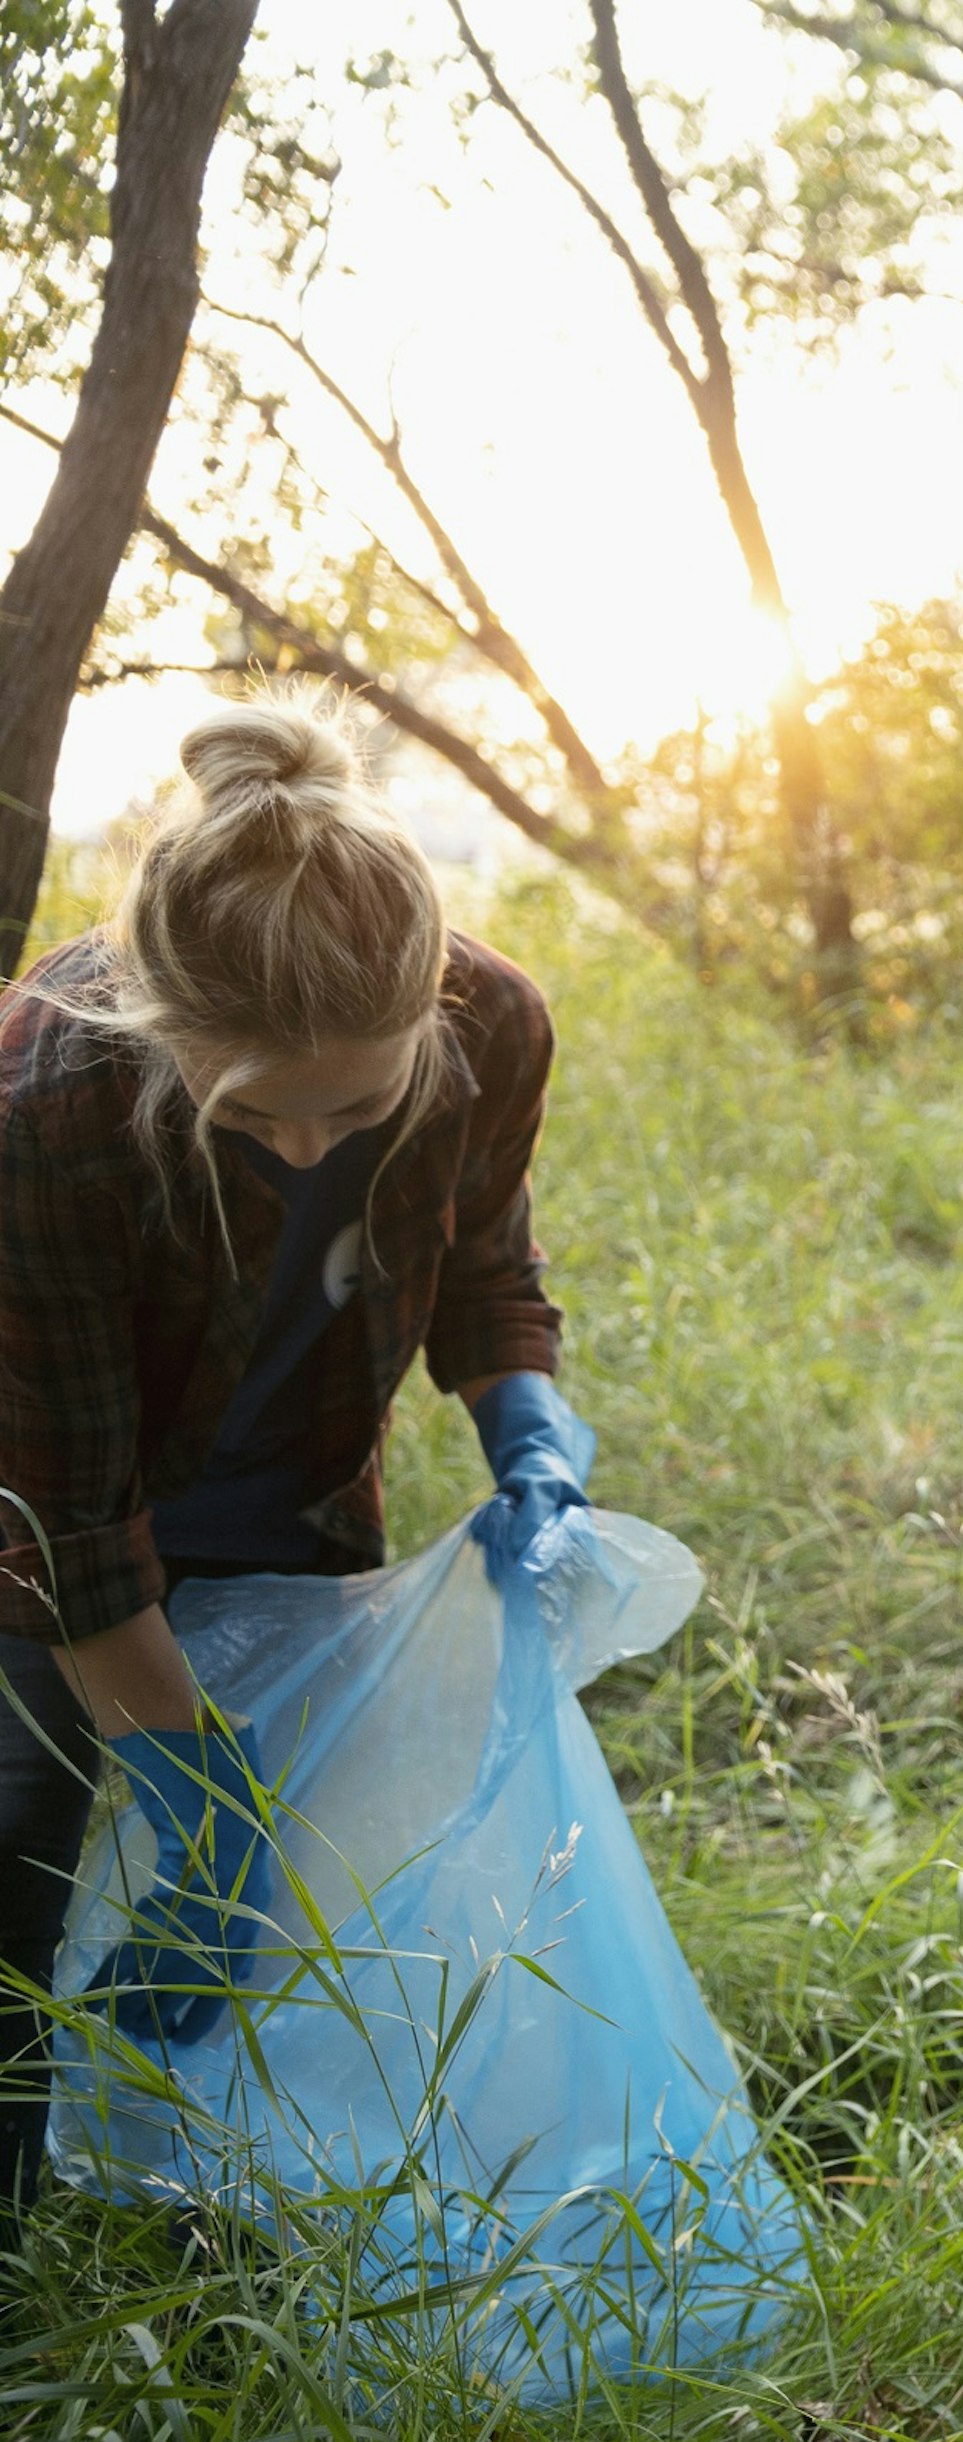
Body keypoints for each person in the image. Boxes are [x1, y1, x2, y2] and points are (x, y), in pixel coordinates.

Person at [0, 689, 595, 2207]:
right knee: (25, 1836)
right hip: (45, 1530)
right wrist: (203, 1795)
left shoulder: (497, 1023)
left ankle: (213, 2185)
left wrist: (522, 1410)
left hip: (297, 1502)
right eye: (259, 1109)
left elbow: (482, 1263)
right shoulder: (43, 1100)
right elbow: (61, 1519)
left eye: (363, 1101)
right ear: (160, 1022)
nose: (315, 1146)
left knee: (311, 1881)